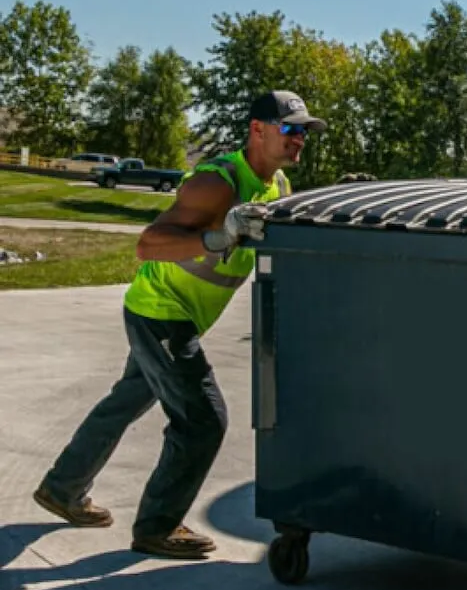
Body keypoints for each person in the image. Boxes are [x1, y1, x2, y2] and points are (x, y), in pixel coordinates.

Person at [32, 90, 327, 560]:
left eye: (304, 132)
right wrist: (219, 236)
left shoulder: (277, 187)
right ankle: (157, 525)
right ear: (257, 129)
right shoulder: (216, 182)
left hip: (178, 314)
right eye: (290, 129)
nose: (299, 140)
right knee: (204, 421)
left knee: (123, 403)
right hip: (162, 312)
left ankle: (62, 488)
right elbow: (149, 245)